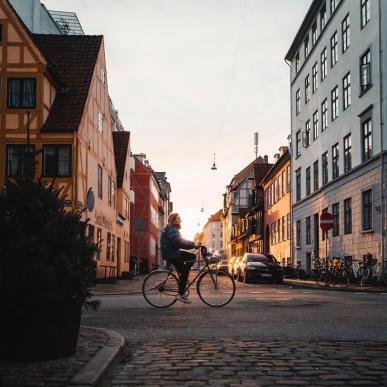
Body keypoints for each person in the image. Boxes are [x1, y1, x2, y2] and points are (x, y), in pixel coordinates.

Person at [160, 213, 199, 304]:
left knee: (192, 256)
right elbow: (179, 243)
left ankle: (183, 278)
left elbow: (181, 240)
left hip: (173, 252)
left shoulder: (173, 229)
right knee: (185, 271)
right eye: (178, 218)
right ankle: (181, 294)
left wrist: (193, 243)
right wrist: (193, 245)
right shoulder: (172, 229)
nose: (180, 220)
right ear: (173, 220)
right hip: (171, 254)